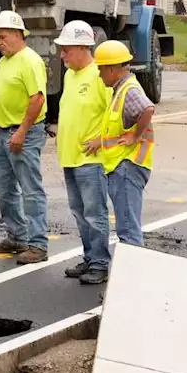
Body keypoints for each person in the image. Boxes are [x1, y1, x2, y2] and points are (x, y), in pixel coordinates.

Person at [85, 40, 155, 273]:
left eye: (101, 69)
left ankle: (132, 283)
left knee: (128, 230)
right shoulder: (121, 89)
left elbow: (147, 109)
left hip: (127, 167)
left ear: (112, 69)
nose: (99, 74)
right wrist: (101, 142)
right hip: (123, 165)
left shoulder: (129, 90)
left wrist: (136, 136)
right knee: (127, 226)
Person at [0, 10, 50, 264]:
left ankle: (38, 244)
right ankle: (17, 236)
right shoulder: (5, 61)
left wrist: (22, 131)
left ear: (16, 34)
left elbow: (37, 98)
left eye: (2, 37)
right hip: (4, 132)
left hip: (23, 132)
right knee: (4, 189)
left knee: (30, 190)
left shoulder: (29, 61)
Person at [53, 20, 113, 285]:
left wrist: (102, 139)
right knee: (79, 212)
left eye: (66, 49)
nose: (62, 54)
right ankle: (90, 257)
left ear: (81, 47)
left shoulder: (100, 76)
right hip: (70, 156)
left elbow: (118, 112)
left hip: (91, 160)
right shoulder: (70, 74)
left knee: (94, 212)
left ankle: (100, 262)